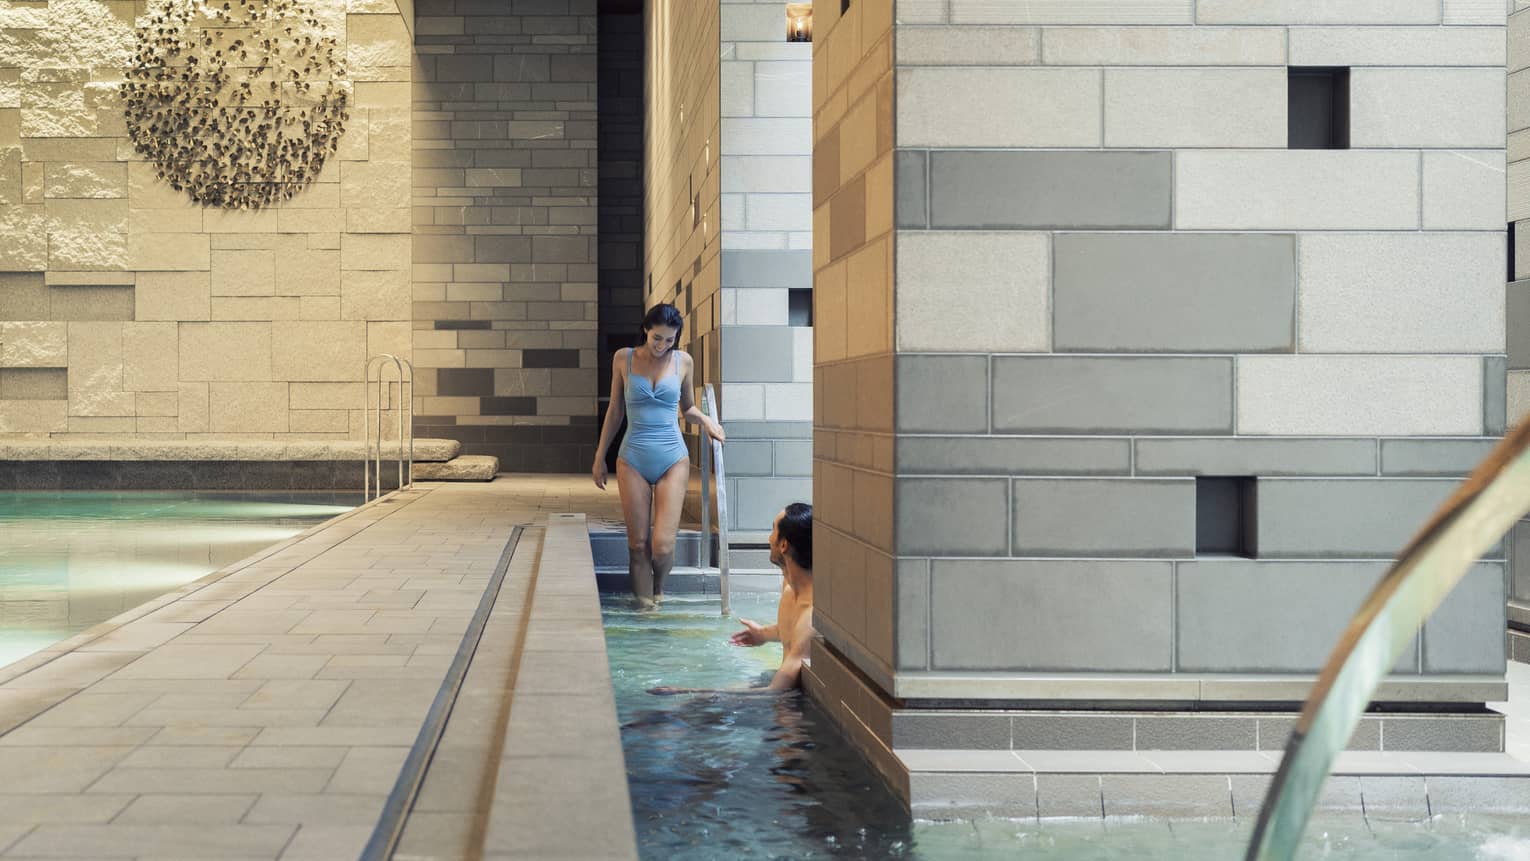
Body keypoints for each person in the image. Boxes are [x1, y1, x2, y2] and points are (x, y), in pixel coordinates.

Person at [592, 303, 725, 610]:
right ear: (645, 330)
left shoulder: (684, 362)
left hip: (671, 457)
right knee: (637, 545)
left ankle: (658, 589)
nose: (663, 345)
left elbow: (688, 408)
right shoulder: (623, 358)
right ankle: (643, 607)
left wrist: (707, 422)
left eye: (669, 340)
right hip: (633, 456)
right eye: (657, 338)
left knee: (662, 547)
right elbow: (615, 410)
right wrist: (600, 456)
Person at [651, 503, 814, 694]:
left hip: (789, 701)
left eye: (772, 530)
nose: (769, 538)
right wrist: (763, 634)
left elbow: (775, 691)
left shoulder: (811, 614)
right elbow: (791, 631)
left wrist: (688, 691)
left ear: (784, 545)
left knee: (701, 703)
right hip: (777, 683)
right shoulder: (790, 587)